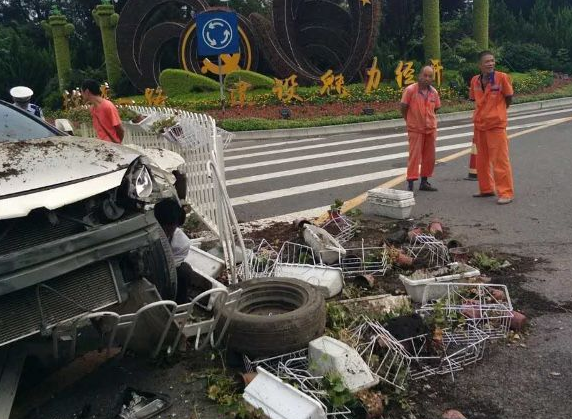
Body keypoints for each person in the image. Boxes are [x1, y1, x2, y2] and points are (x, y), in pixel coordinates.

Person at [470, 51, 514, 205]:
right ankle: (486, 189)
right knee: (482, 160)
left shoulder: (502, 78)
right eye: (487, 61)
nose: (490, 63)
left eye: (492, 61)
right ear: (480, 65)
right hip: (480, 125)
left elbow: (508, 98)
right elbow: (474, 100)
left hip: (496, 126)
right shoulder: (475, 81)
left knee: (500, 161)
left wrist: (498, 112)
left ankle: (506, 192)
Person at [153, 199, 211, 304]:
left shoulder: (182, 243)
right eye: (162, 229)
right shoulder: (148, 234)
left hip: (163, 275)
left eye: (169, 230)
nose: (164, 234)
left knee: (185, 270)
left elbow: (169, 270)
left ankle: (178, 307)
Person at [400, 65, 441, 192]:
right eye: (425, 75)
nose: (427, 78)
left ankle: (424, 182)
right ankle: (411, 183)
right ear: (419, 75)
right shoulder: (410, 90)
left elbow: (437, 107)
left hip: (430, 129)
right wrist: (410, 119)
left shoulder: (434, 92)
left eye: (430, 76)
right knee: (414, 157)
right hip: (415, 129)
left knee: (429, 157)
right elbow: (403, 107)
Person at [81, 79, 124, 143]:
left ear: (87, 91)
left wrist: (117, 144)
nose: (81, 94)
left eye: (82, 92)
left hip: (113, 146)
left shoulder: (108, 106)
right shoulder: (92, 109)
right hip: (103, 146)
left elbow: (120, 129)